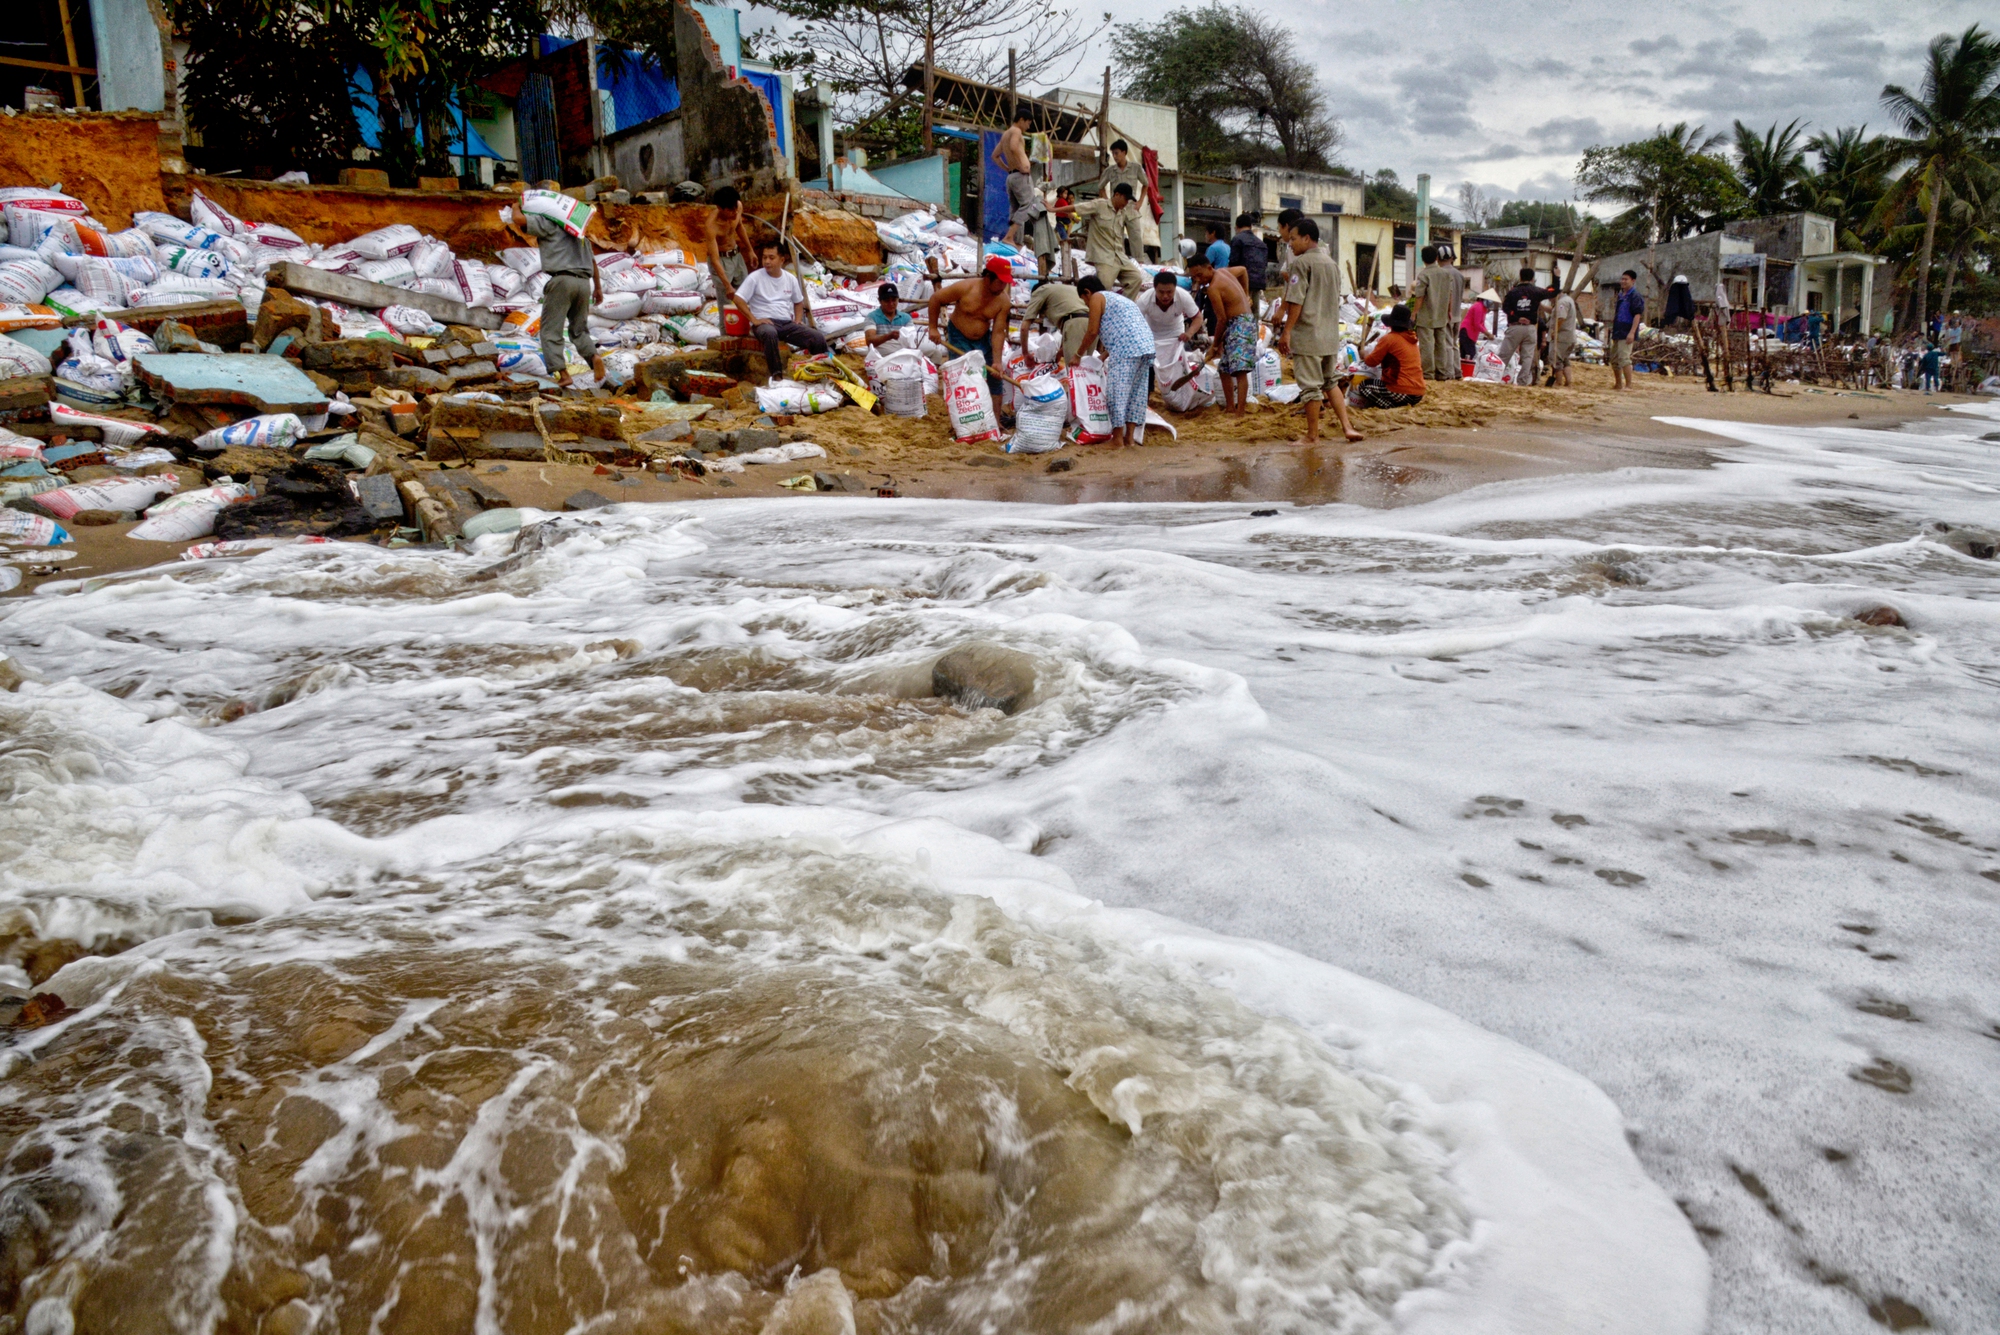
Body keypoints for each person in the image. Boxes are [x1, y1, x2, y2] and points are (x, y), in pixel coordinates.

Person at [501, 181, 605, 387]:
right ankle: (594, 358)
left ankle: (563, 374)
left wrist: (515, 206)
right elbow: (593, 261)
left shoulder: (548, 222)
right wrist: (599, 287)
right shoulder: (578, 230)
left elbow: (519, 219)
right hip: (584, 283)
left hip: (562, 281)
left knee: (550, 331)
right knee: (579, 330)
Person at [1274, 218, 1362, 445]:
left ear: (1306, 238)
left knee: (1310, 386)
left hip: (1309, 335)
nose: (1290, 244)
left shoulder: (1301, 264)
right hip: (1330, 334)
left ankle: (1312, 435)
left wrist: (1287, 332)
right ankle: (1347, 427)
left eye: (1293, 239)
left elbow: (1296, 301)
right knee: (1330, 380)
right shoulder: (1331, 264)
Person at [1072, 273, 1155, 446]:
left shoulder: (1097, 297)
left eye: (1084, 300)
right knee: (1135, 394)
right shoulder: (1120, 300)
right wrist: (1102, 356)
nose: (1087, 304)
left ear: (1087, 292)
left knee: (1117, 393)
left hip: (1127, 350)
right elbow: (1123, 329)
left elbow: (1092, 331)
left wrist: (1078, 355)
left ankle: (1117, 440)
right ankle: (1129, 439)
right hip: (1145, 346)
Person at [733, 240, 828, 375]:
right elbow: (738, 299)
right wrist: (754, 320)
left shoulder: (790, 279)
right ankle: (777, 376)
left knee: (817, 338)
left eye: (771, 257)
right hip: (765, 323)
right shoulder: (755, 277)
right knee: (770, 333)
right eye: (764, 257)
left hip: (786, 324)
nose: (767, 261)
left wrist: (798, 320)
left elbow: (798, 301)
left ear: (782, 259)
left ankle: (819, 372)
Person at [927, 253, 1015, 394]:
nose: (1002, 287)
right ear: (988, 278)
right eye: (1000, 282)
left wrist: (997, 361)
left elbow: (998, 332)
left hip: (984, 339)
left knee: (995, 381)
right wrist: (933, 328)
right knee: (964, 379)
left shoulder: (1003, 301)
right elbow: (935, 299)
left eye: (1005, 283)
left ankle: (995, 417)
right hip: (959, 337)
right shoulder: (966, 288)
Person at [1187, 252, 1252, 414]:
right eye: (1194, 278)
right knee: (1224, 368)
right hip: (1237, 322)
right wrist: (1245, 293)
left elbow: (1221, 319)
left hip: (1241, 324)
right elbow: (1243, 271)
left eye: (1200, 275)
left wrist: (1215, 345)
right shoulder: (1224, 271)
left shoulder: (1214, 288)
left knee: (1239, 370)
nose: (1199, 280)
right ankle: (1230, 407)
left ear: (1209, 268)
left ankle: (1240, 412)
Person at [1072, 183, 1145, 298]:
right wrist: (1054, 209)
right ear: (1117, 195)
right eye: (1125, 199)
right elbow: (1077, 208)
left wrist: (1139, 257)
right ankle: (1098, 311)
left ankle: (1122, 307)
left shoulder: (1122, 212)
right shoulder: (1100, 205)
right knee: (1103, 289)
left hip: (1120, 256)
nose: (1126, 203)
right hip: (1104, 257)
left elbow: (1134, 233)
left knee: (1136, 278)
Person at [1350, 304, 1425, 409]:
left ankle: (1391, 407)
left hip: (1402, 390)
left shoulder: (1389, 339)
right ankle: (1399, 405)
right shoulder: (1412, 339)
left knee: (1364, 386)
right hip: (1418, 393)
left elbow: (1371, 362)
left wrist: (1364, 355)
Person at [1407, 245, 1464, 380]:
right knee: (1441, 344)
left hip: (1426, 315)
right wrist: (1449, 311)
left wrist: (1414, 313)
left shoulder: (1424, 275)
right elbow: (1450, 294)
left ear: (1423, 259)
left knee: (1427, 345)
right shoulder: (1446, 274)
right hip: (1442, 315)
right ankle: (1442, 372)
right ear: (1436, 258)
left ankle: (1428, 373)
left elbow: (1420, 296)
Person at [702, 185, 761, 309]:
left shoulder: (737, 206)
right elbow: (715, 260)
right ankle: (726, 329)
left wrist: (750, 250)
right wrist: (727, 285)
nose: (735, 212)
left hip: (737, 256)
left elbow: (739, 227)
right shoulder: (711, 226)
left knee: (746, 295)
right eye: (730, 210)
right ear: (720, 208)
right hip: (722, 262)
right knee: (726, 303)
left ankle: (747, 327)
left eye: (735, 208)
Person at [992, 108, 1041, 252]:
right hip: (1020, 176)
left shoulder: (1005, 134)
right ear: (1021, 120)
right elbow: (1013, 147)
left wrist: (1008, 168)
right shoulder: (1016, 131)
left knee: (1015, 208)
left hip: (1011, 176)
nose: (1028, 126)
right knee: (1028, 204)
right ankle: (1009, 237)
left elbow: (995, 155)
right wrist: (1021, 166)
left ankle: (1016, 241)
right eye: (1028, 123)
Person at [1498, 266, 1554, 388]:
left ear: (1520, 277)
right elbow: (1553, 291)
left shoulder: (1513, 292)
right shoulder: (1536, 291)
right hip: (1530, 328)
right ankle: (1522, 382)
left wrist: (1516, 316)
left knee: (1505, 354)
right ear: (1533, 278)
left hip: (1515, 326)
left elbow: (1505, 308)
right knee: (1527, 357)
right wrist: (1557, 277)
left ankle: (1497, 376)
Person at [1097, 140, 1150, 258]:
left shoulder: (1135, 168)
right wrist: (1108, 203)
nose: (1115, 157)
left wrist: (1140, 201)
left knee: (1136, 237)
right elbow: (1101, 187)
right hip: (1116, 209)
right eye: (1113, 154)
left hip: (1131, 208)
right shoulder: (1110, 170)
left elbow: (1146, 184)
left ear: (1124, 152)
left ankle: (1139, 263)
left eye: (1116, 153)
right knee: (1117, 238)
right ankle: (1119, 262)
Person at [1020, 278, 1091, 363]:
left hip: (1076, 324)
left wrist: (1025, 354)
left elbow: (1024, 327)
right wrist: (1061, 352)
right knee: (1087, 368)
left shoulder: (1040, 291)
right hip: (1092, 323)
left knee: (1077, 370)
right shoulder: (1066, 289)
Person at [1229, 213, 1269, 329]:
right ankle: (1254, 342)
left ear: (1237, 226)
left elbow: (1233, 262)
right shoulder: (1261, 243)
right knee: (1254, 314)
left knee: (1240, 313)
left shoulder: (1237, 239)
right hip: (1258, 283)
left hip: (1242, 283)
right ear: (1250, 226)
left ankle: (1241, 341)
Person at [1609, 270, 1645, 391]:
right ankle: (1618, 384)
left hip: (1627, 330)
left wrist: (1632, 332)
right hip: (1618, 330)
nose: (1623, 281)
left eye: (1626, 279)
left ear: (1633, 281)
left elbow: (1637, 315)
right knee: (1614, 359)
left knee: (1624, 358)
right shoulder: (1621, 295)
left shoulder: (1635, 296)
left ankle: (1629, 385)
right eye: (1622, 279)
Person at [1543, 275, 1578, 387]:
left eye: (1550, 298)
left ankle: (1558, 382)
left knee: (1556, 359)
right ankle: (1568, 381)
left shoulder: (1562, 303)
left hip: (1562, 337)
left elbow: (1561, 317)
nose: (1550, 300)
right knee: (1565, 359)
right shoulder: (1567, 300)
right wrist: (1541, 307)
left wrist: (1554, 331)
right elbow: (1554, 311)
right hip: (1569, 337)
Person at [863, 283, 912, 349]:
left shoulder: (906, 318)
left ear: (898, 300)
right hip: (881, 358)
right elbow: (869, 341)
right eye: (887, 301)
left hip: (902, 356)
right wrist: (889, 336)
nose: (891, 304)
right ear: (879, 301)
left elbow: (912, 340)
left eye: (894, 300)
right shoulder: (872, 317)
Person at [1458, 290, 1487, 365]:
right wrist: (1487, 333)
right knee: (1469, 354)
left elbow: (1482, 323)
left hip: (1471, 334)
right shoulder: (1478, 307)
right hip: (1467, 332)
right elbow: (1477, 324)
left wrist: (1487, 333)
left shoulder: (1483, 308)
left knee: (1468, 355)